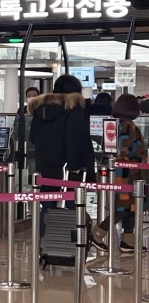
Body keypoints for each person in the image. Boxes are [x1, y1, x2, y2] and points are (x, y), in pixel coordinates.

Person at [29, 74, 95, 227]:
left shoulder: (40, 109)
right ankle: (72, 242)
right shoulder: (74, 108)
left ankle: (44, 241)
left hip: (45, 165)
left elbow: (33, 137)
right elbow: (74, 138)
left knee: (47, 205)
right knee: (73, 205)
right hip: (69, 168)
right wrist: (75, 165)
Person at [91, 94, 145, 253]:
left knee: (132, 206)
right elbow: (126, 149)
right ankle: (98, 232)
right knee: (124, 207)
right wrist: (141, 155)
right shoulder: (127, 126)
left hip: (124, 172)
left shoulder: (118, 124)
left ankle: (128, 240)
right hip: (126, 173)